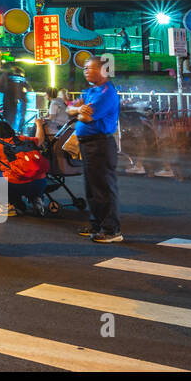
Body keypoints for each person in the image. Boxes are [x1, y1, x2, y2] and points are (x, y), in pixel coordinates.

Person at [71, 57, 122, 243]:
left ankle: (111, 230)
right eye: (84, 69)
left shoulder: (106, 93)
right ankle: (97, 224)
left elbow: (87, 118)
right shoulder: (92, 90)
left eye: (89, 68)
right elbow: (71, 109)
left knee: (103, 187)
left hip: (100, 144)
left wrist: (77, 111)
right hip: (88, 143)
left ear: (103, 71)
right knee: (92, 187)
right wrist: (77, 110)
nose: (85, 71)